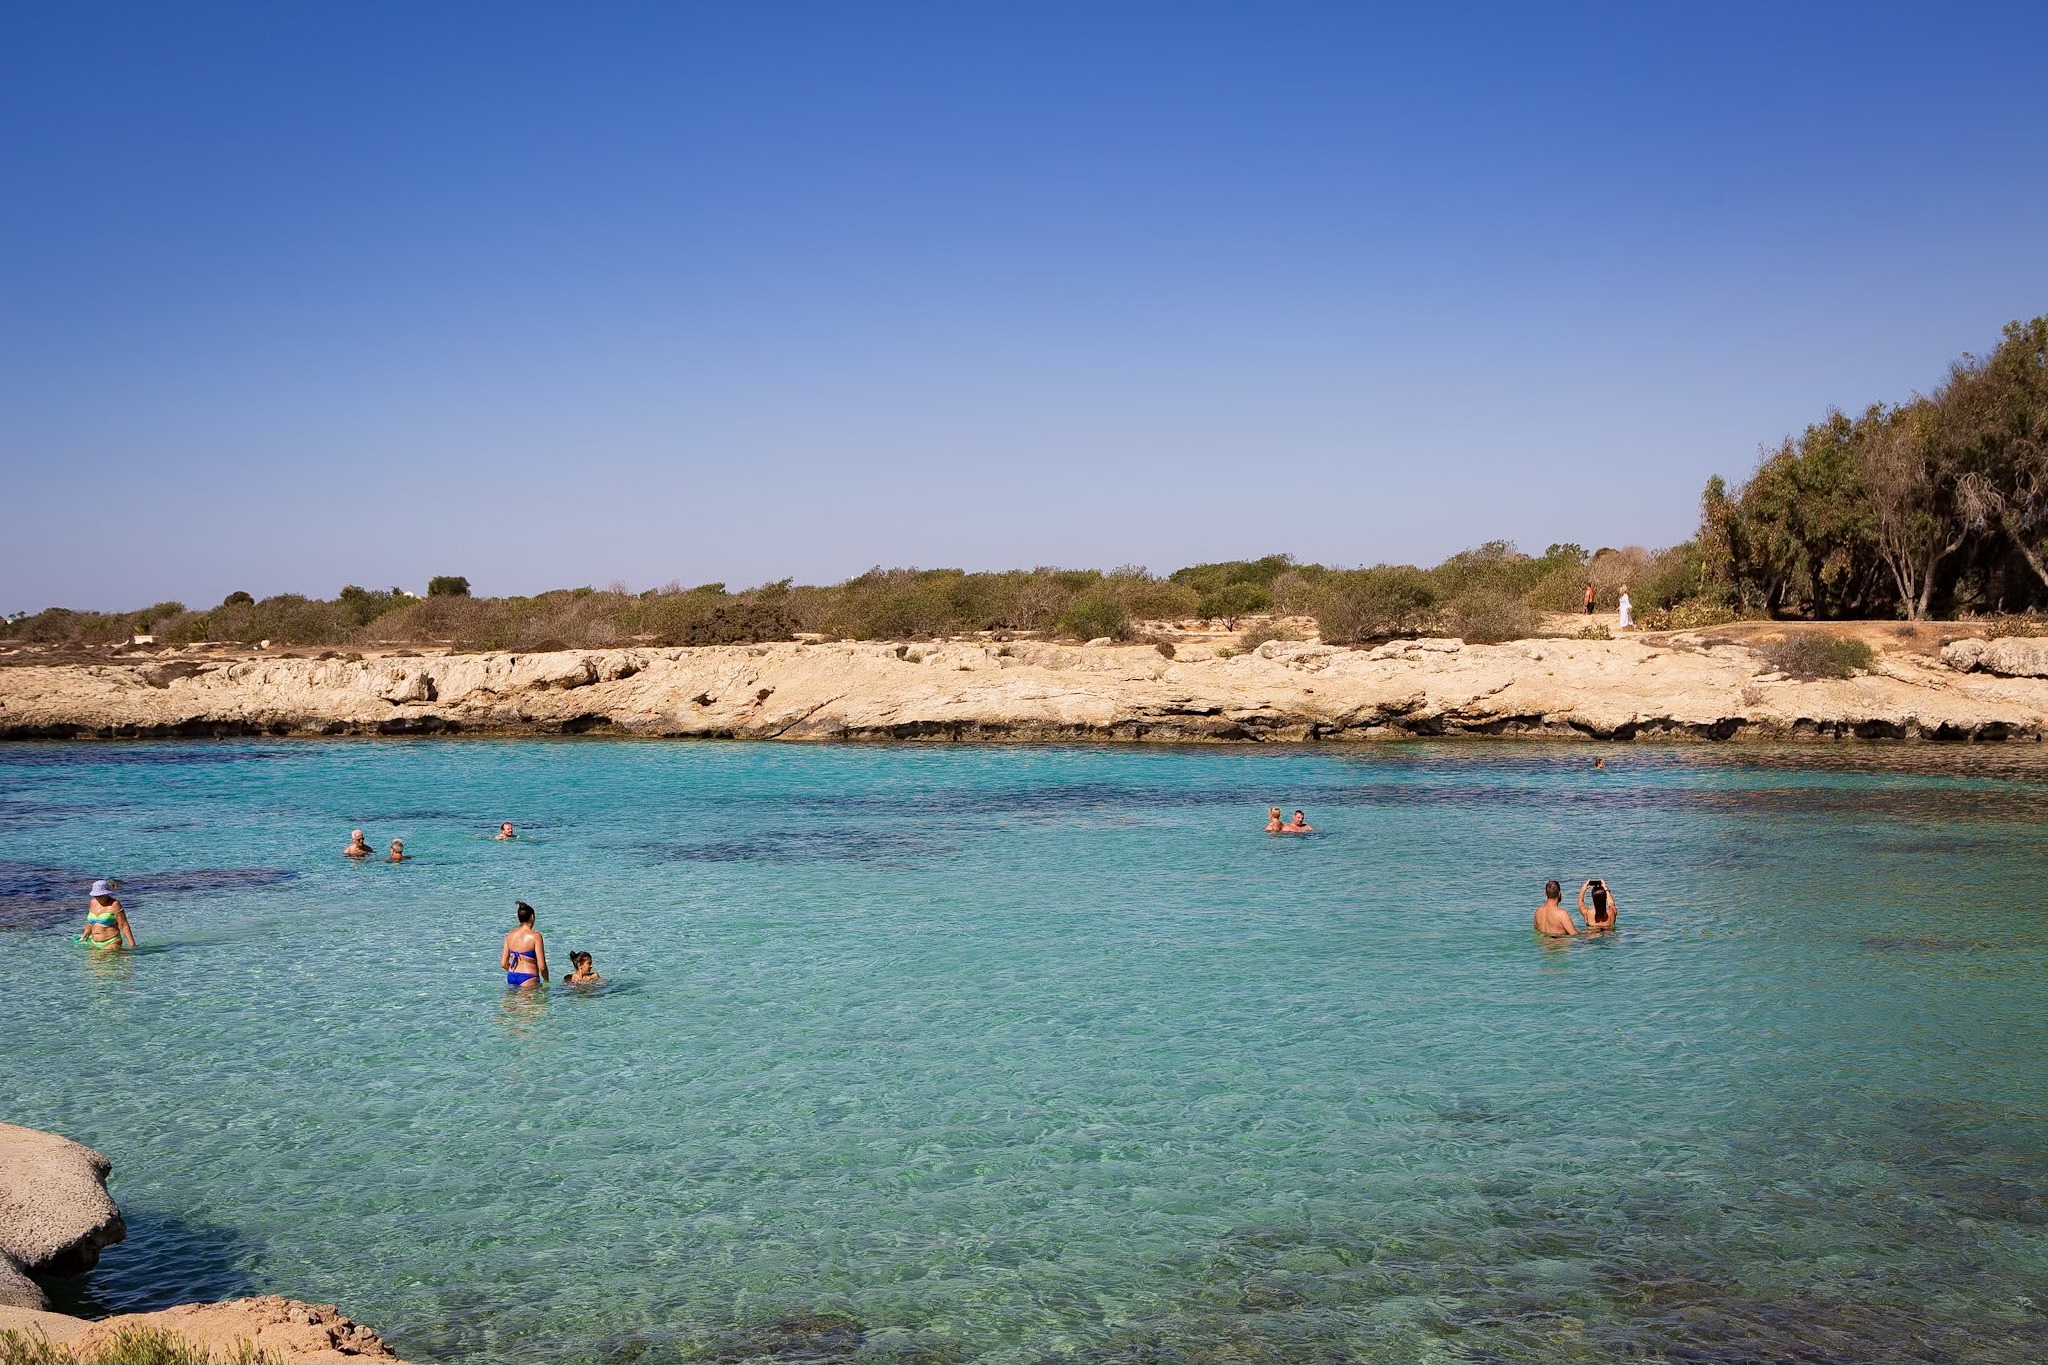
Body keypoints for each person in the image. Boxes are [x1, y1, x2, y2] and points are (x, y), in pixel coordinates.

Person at [77, 879, 136, 951]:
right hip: (94, 942)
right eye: (96, 896)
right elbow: (91, 922)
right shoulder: (92, 902)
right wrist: (84, 936)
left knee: (103, 955)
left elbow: (124, 925)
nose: (98, 898)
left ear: (107, 894)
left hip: (111, 941)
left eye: (101, 895)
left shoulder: (115, 904)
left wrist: (132, 945)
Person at [502, 902, 548, 989]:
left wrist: (515, 972)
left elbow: (503, 963)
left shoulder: (510, 935)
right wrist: (547, 981)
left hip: (511, 976)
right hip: (528, 977)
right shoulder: (535, 936)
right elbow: (542, 966)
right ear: (532, 917)